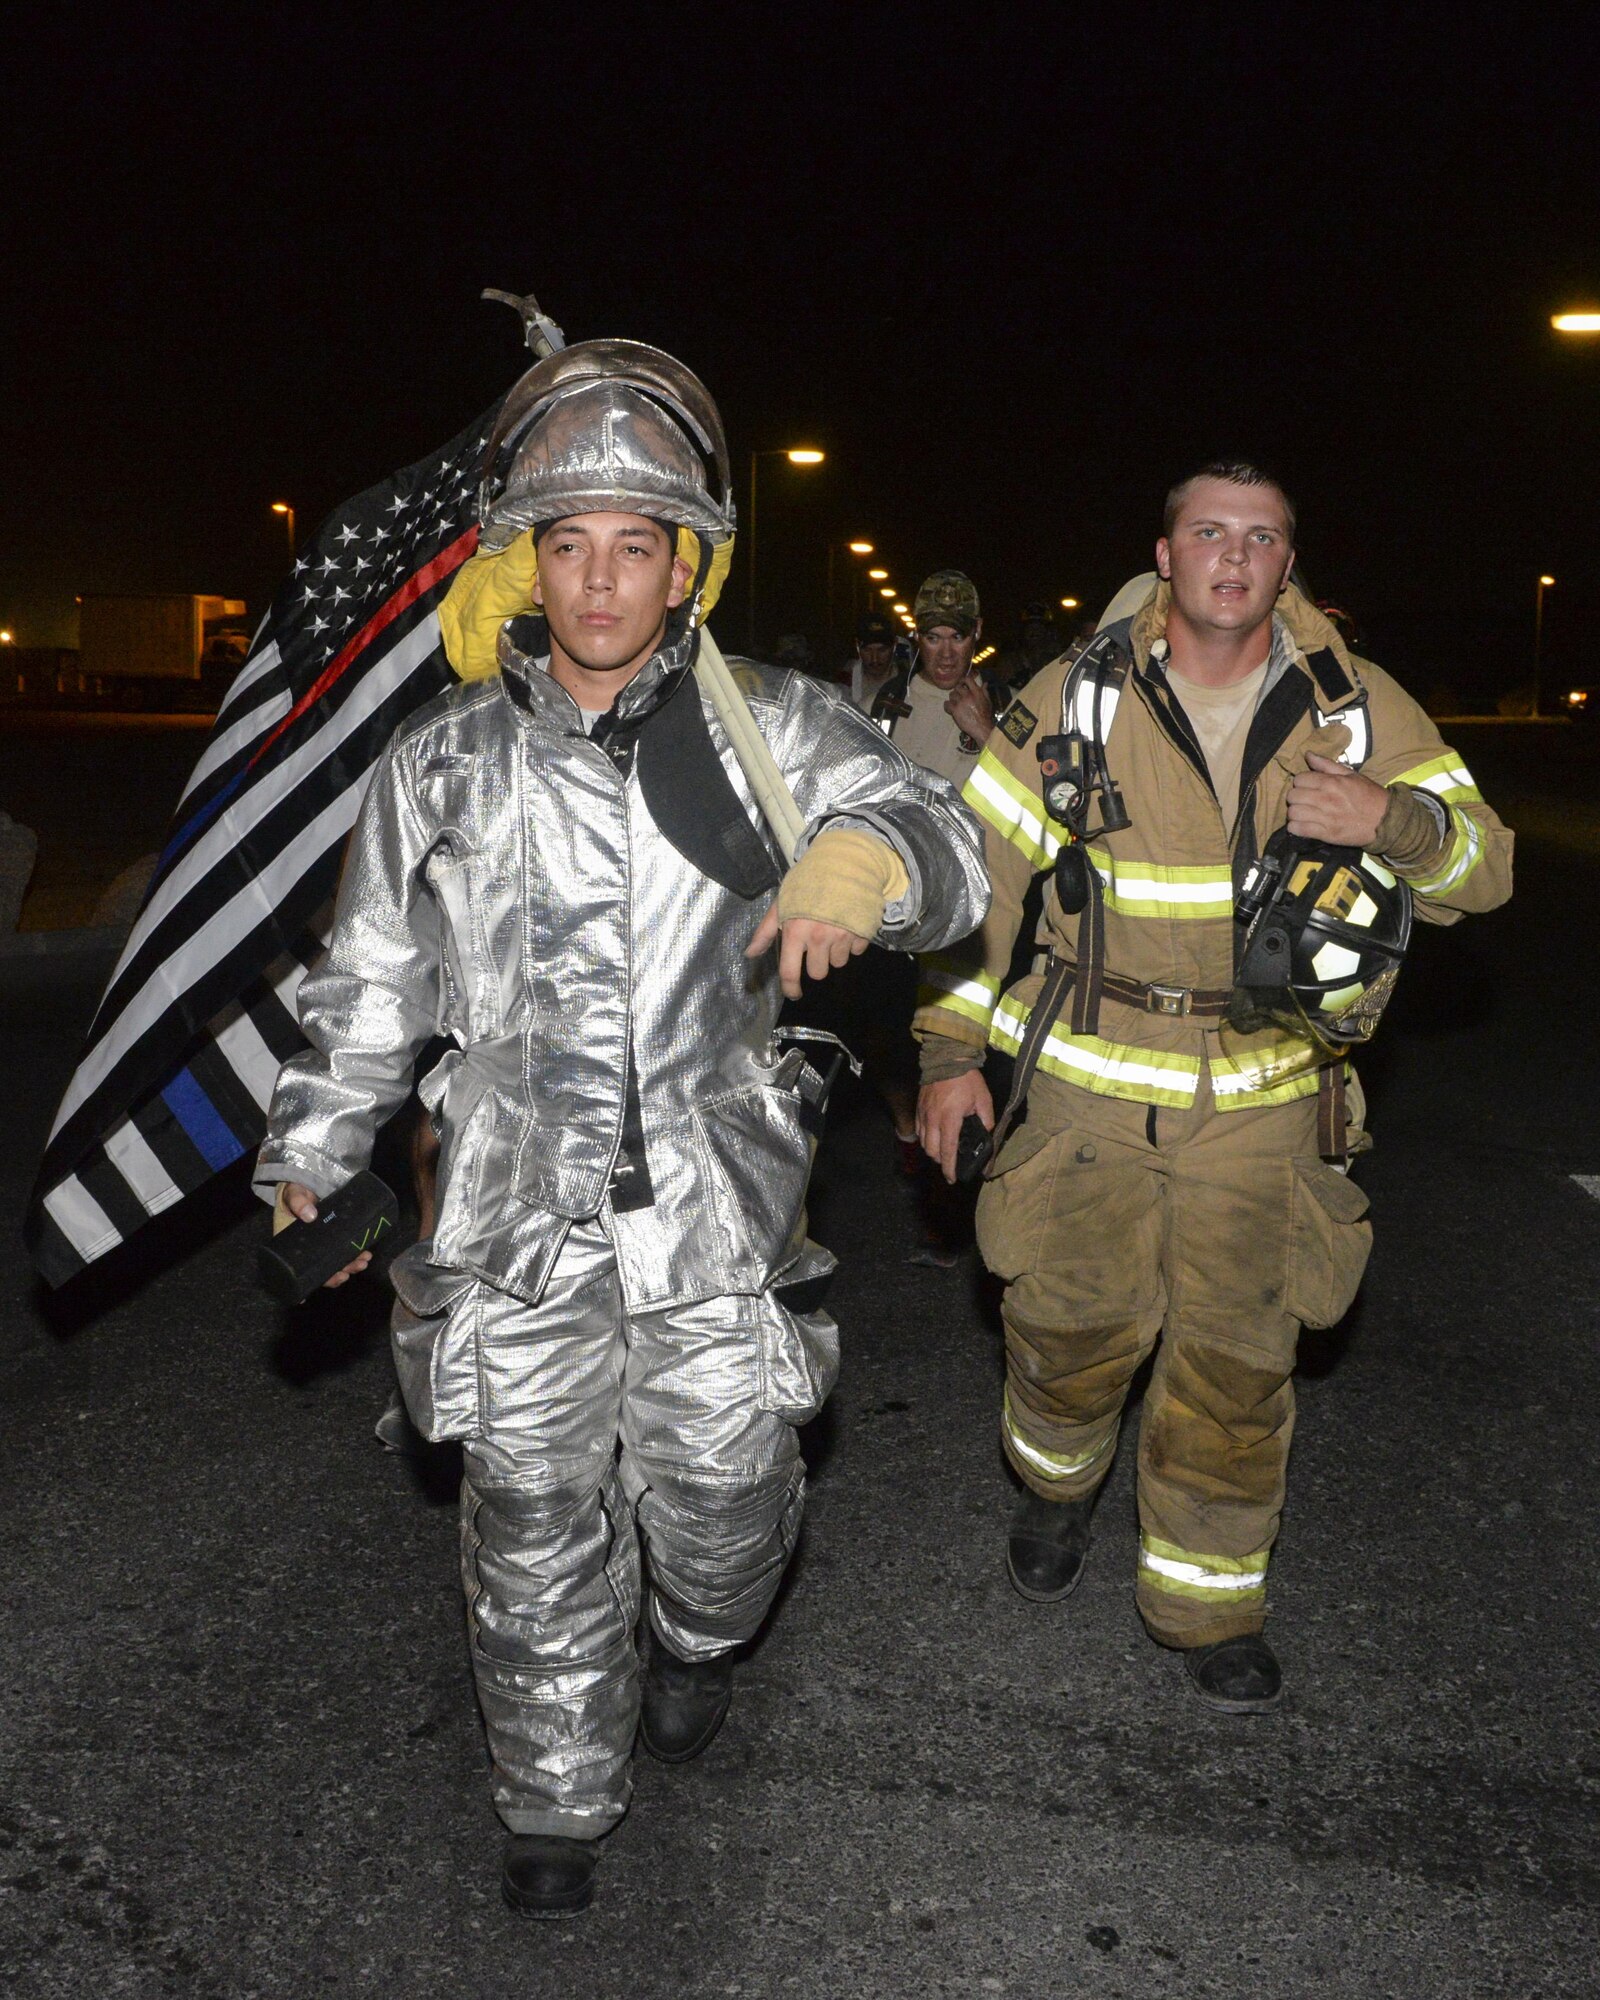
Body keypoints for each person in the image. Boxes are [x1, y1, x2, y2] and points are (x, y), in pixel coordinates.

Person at [255, 339, 988, 1916]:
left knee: (720, 1515)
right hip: (512, 1216)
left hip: (718, 1217)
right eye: (569, 544)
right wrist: (313, 1158)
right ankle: (554, 1797)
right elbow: (368, 983)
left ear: (686, 568)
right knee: (527, 1509)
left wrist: (870, 857)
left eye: (635, 546)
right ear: (529, 561)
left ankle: (700, 1643)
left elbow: (955, 848)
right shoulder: (440, 762)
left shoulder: (770, 726)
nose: (599, 582)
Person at [915, 463, 1512, 1711]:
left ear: (1285, 565)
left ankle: (1205, 1600)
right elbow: (980, 885)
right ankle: (1058, 1483)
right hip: (1082, 1095)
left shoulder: (1351, 703)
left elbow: (1483, 868)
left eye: (1260, 538)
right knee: (1066, 1338)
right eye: (1208, 533)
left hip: (1265, 1097)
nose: (1232, 557)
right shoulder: (1073, 694)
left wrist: (1387, 818)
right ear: (1167, 553)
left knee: (1237, 1370)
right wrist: (950, 1056)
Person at [870, 569, 1004, 793]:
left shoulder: (1009, 704)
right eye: (933, 638)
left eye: (957, 637)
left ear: (978, 630)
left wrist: (985, 733)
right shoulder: (879, 708)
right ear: (916, 633)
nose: (946, 655)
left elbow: (1033, 800)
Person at [844, 609, 899, 712]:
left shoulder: (908, 683)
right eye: (867, 650)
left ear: (894, 645)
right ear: (857, 647)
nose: (875, 658)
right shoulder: (845, 682)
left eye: (882, 650)